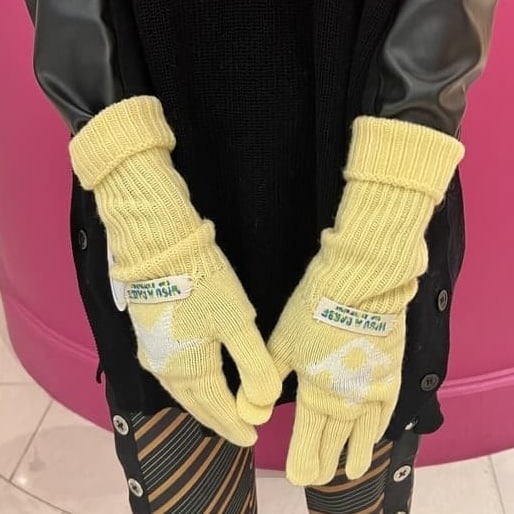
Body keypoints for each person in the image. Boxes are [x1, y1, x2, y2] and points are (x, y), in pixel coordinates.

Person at [24, 1, 498, 512]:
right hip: (151, 162)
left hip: (379, 166)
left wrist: (374, 247)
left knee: (357, 484)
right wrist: (140, 203)